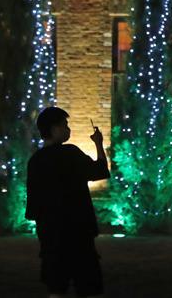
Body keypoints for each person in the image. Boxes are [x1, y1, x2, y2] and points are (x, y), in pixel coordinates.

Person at [26, 106, 110, 298]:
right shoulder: (70, 154)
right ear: (54, 129)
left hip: (51, 234)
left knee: (56, 285)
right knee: (87, 284)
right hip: (78, 230)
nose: (68, 129)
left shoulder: (35, 161)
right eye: (65, 125)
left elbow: (33, 205)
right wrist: (98, 144)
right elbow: (100, 171)